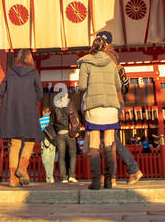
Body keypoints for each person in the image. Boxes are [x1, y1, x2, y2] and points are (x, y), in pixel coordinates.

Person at [76, 31, 123, 190]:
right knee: (110, 143)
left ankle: (96, 181)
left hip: (94, 107)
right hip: (110, 106)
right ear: (104, 48)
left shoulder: (85, 63)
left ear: (93, 47)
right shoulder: (111, 63)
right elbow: (119, 85)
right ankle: (109, 180)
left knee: (94, 143)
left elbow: (82, 86)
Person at [0, 48, 43, 186]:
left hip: (12, 111)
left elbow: (1, 91)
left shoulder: (10, 72)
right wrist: (32, 101)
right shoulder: (33, 73)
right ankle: (22, 168)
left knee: (15, 144)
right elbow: (40, 93)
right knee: (30, 141)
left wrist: (9, 102)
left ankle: (12, 178)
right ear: (30, 59)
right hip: (29, 111)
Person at [102, 39, 144, 185]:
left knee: (109, 139)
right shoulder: (116, 61)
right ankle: (123, 172)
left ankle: (122, 172)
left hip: (110, 101)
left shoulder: (106, 60)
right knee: (111, 138)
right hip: (117, 101)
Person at [51, 86, 81, 183]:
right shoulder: (70, 104)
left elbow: (52, 122)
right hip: (70, 132)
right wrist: (78, 131)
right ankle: (71, 175)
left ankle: (63, 177)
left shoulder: (55, 106)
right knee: (72, 154)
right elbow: (76, 119)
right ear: (66, 94)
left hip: (60, 133)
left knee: (61, 156)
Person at [39, 110, 57, 183]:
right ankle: (51, 176)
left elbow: (38, 132)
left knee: (46, 160)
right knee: (51, 160)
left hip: (45, 141)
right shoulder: (53, 121)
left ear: (43, 112)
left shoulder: (40, 120)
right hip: (53, 141)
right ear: (50, 112)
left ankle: (48, 177)